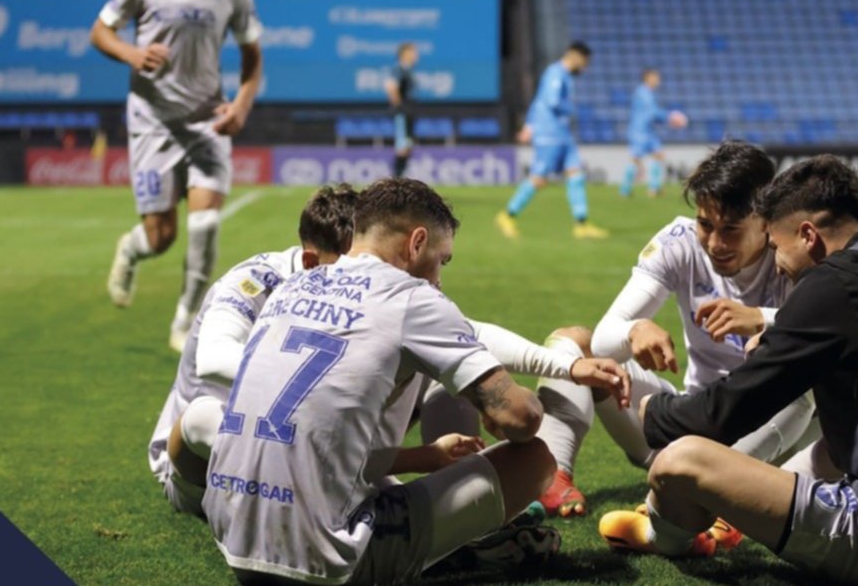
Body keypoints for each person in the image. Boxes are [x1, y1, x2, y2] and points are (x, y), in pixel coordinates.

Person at [600, 155, 858, 585]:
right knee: (834, 404)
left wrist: (657, 412)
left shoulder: (835, 284)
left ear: (807, 235)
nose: (776, 260)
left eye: (775, 246)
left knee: (681, 460)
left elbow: (725, 413)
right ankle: (736, 515)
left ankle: (662, 535)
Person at [202, 179, 626, 584]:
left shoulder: (293, 285)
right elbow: (519, 418)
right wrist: (507, 407)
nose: (440, 278)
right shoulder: (412, 297)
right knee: (533, 460)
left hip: (233, 535)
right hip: (321, 561)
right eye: (442, 260)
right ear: (416, 243)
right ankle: (454, 552)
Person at [535, 142, 815, 519]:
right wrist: (634, 330)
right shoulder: (679, 242)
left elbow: (832, 333)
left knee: (805, 384)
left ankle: (722, 490)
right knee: (577, 345)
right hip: (690, 421)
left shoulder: (795, 252)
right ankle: (554, 474)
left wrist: (760, 319)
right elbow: (605, 340)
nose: (715, 243)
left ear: (766, 222)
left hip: (768, 436)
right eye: (706, 224)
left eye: (731, 229)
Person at [94, 0, 263, 352]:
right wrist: (132, 54)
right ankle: (131, 251)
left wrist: (242, 103)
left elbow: (252, 54)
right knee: (161, 235)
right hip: (152, 120)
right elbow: (100, 32)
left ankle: (186, 320)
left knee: (205, 223)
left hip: (208, 119)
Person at [149, 184, 358, 517]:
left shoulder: (355, 294)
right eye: (350, 271)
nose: (362, 281)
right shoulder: (255, 282)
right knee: (204, 415)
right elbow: (213, 360)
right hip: (198, 460)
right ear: (310, 262)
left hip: (284, 441)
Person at [496, 41, 608, 239]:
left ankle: (581, 224)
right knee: (539, 178)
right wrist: (571, 110)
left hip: (563, 134)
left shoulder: (562, 75)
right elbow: (552, 102)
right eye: (585, 62)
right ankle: (507, 215)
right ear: (575, 56)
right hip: (550, 134)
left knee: (576, 175)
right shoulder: (556, 73)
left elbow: (538, 100)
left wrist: (529, 126)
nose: (585, 67)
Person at [620, 69, 688, 199]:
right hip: (639, 131)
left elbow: (653, 114)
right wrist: (671, 117)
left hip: (649, 131)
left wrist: (668, 118)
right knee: (635, 159)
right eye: (656, 77)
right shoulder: (642, 92)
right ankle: (625, 189)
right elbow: (653, 112)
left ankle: (654, 189)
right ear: (648, 78)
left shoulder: (649, 93)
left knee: (658, 155)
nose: (658, 80)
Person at [385, 42, 418, 178]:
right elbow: (390, 86)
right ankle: (396, 180)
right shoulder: (399, 69)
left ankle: (399, 178)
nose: (416, 56)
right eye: (413, 52)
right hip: (402, 113)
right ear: (405, 54)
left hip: (408, 112)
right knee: (402, 146)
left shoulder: (408, 70)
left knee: (408, 146)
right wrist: (399, 106)